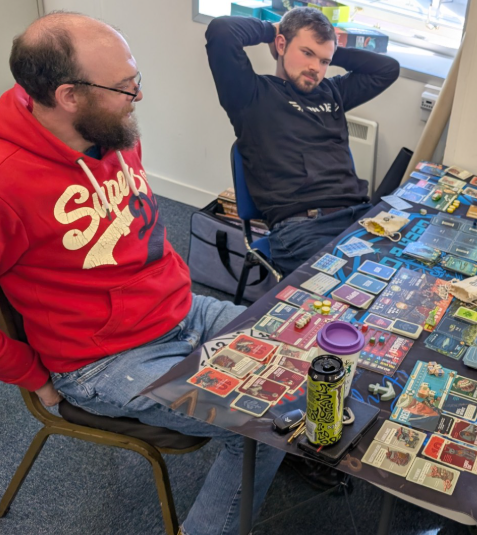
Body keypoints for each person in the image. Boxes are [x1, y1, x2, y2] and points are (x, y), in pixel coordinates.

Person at [0, 13, 284, 535]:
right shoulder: (7, 180)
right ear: (68, 96)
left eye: (136, 79)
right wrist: (32, 377)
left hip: (181, 311)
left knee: (295, 348)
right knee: (261, 429)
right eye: (125, 86)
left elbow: (142, 231)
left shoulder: (111, 128)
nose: (139, 95)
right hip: (102, 360)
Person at [205, 7, 400, 275]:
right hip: (302, 227)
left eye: (324, 61)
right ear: (281, 45)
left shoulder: (332, 92)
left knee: (408, 272)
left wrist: (330, 49)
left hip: (357, 216)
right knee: (351, 288)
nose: (315, 68)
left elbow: (388, 69)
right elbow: (222, 30)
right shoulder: (249, 95)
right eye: (307, 53)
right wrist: (272, 31)